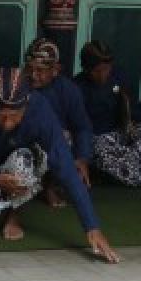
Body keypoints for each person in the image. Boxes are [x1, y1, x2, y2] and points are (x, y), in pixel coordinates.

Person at [0, 66, 120, 261]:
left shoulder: (40, 109)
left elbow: (65, 166)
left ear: (26, 103)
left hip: (21, 161)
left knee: (23, 159)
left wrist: (92, 227)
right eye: (0, 115)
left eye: (13, 116)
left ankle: (14, 215)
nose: (6, 123)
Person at [72, 40, 141, 187]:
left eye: (106, 69)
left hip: (120, 134)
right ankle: (131, 167)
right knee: (133, 176)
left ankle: (130, 161)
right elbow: (79, 127)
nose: (102, 74)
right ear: (86, 68)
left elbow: (133, 109)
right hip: (97, 140)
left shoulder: (119, 76)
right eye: (97, 70)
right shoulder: (76, 87)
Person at [22, 37, 95, 204]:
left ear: (55, 70)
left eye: (40, 70)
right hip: (19, 143)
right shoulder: (17, 84)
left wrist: (82, 159)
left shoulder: (68, 90)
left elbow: (82, 127)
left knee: (63, 137)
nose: (33, 75)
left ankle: (49, 185)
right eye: (29, 69)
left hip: (50, 146)